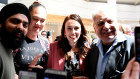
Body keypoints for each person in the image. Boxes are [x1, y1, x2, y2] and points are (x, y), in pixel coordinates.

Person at [85, 6, 134, 79]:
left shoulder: (133, 45)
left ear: (117, 24)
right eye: (100, 23)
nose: (106, 27)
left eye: (110, 21)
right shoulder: (93, 47)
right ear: (94, 28)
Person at [47, 14, 90, 79]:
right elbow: (48, 73)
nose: (73, 32)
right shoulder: (54, 47)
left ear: (81, 31)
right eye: (69, 28)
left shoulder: (87, 49)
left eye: (76, 28)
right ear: (64, 32)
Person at [13, 1, 49, 76]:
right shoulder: (16, 39)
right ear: (28, 18)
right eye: (35, 18)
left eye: (42, 20)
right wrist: (28, 71)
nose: (38, 23)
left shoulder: (46, 44)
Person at [0, 3, 30, 79]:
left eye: (25, 25)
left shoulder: (8, 47)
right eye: (14, 21)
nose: (20, 27)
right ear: (1, 24)